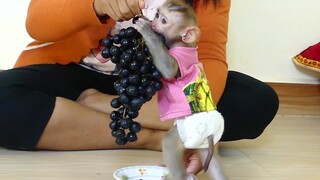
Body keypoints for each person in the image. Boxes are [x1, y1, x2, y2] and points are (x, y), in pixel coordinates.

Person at [0, 0, 279, 175]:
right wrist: (96, 4)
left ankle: (94, 109)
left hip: (156, 87)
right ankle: (154, 138)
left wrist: (196, 115)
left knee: (255, 102)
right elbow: (37, 23)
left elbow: (208, 57)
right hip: (77, 71)